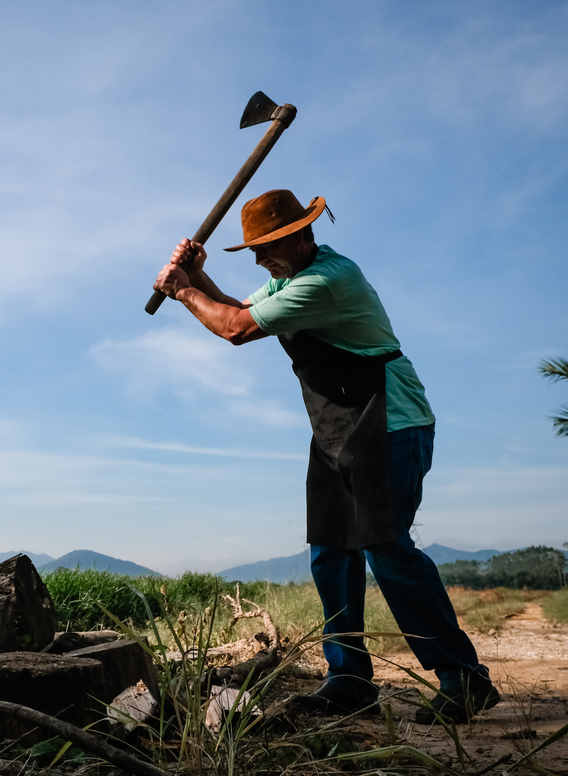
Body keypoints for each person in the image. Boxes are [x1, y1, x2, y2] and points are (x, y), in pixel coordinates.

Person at [151, 189, 500, 725]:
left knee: (387, 548)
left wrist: (181, 291)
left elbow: (236, 329)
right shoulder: (288, 279)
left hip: (388, 418)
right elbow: (247, 309)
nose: (262, 257)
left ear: (304, 234)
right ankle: (349, 680)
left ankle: (463, 677)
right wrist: (198, 278)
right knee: (332, 551)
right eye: (254, 250)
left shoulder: (328, 279)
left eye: (271, 245)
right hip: (336, 427)